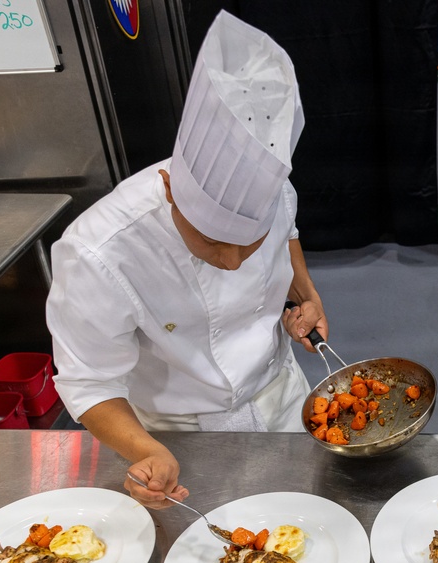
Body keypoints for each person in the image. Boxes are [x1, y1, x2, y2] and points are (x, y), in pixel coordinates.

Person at [46, 11, 325, 510]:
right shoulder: (98, 250)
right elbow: (89, 379)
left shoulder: (276, 191)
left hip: (282, 395)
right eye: (214, 241)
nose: (234, 262)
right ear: (172, 190)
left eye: (248, 241)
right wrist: (144, 450)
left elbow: (287, 232)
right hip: (174, 435)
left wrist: (303, 291)